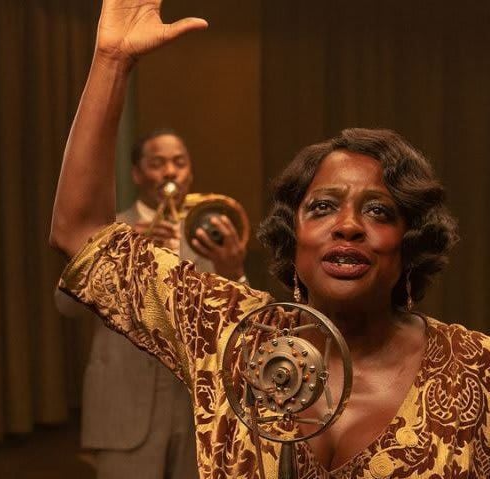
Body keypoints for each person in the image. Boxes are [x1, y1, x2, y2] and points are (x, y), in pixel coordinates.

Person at [50, 1, 488, 477]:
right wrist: (111, 61)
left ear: (410, 242)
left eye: (379, 211)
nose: (347, 225)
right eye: (322, 207)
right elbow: (81, 233)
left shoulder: (475, 371)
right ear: (292, 235)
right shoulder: (230, 337)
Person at [55, 128, 246, 479]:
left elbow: (232, 320)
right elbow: (66, 306)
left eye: (179, 162)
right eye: (158, 164)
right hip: (123, 403)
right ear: (138, 174)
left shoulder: (208, 231)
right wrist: (122, 253)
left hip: (194, 408)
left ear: (190, 172)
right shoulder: (109, 230)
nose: (170, 172)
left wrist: (233, 271)